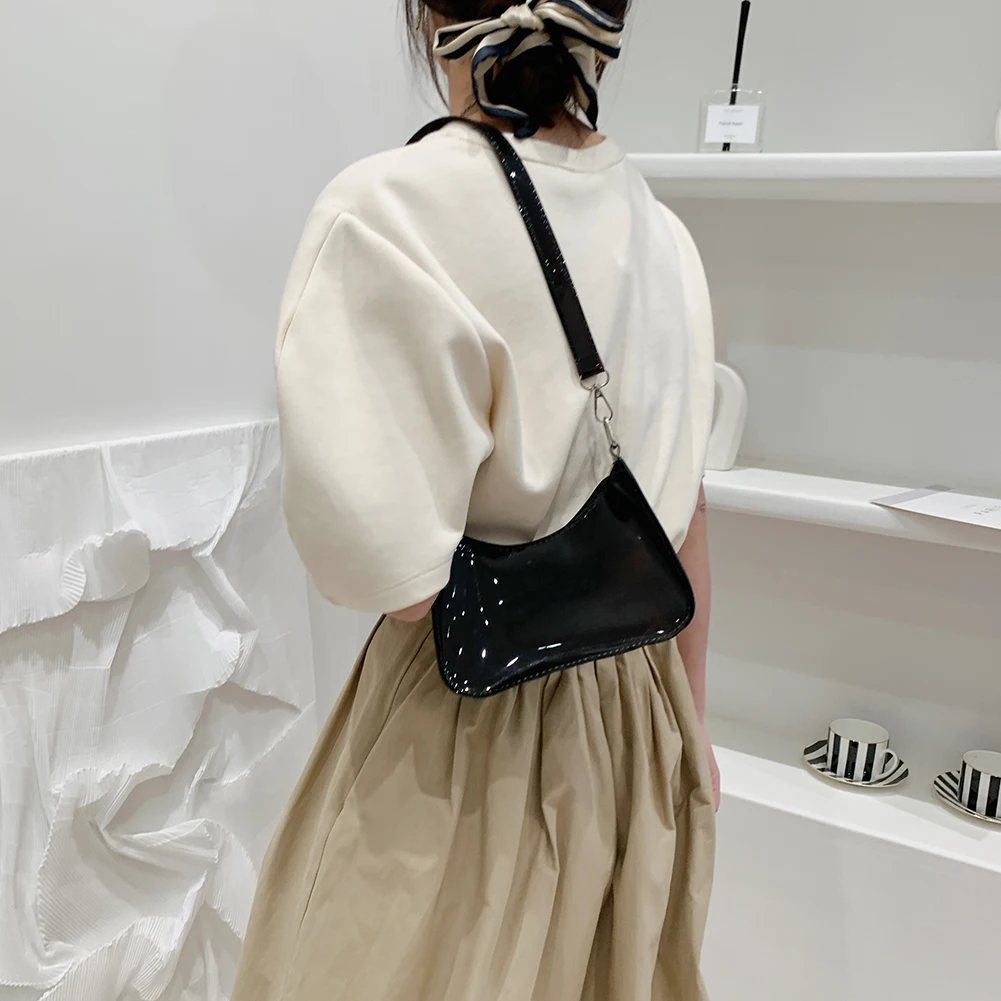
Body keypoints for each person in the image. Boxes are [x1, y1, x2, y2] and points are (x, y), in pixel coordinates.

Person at [232, 1, 719, 998]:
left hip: (472, 727)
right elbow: (684, 515)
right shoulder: (663, 232)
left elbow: (396, 580)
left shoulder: (389, 211)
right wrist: (691, 734)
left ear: (431, 19)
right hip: (645, 714)